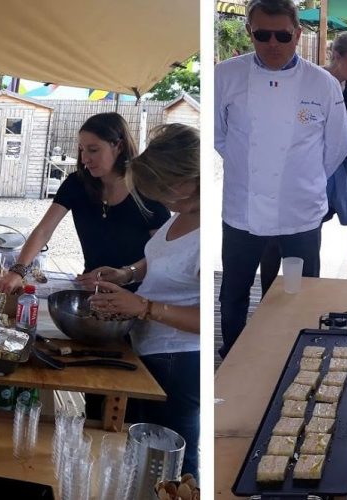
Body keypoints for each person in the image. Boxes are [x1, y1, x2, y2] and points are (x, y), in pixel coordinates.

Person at [215, 0, 347, 357]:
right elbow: (220, 137)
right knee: (234, 290)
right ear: (250, 32)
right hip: (243, 209)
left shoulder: (323, 83)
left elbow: (336, 147)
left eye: (282, 35)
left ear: (297, 33)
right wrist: (247, 169)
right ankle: (232, 353)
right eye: (262, 34)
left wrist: (299, 178)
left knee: (303, 290)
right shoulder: (225, 76)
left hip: (301, 210)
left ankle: (299, 353)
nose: (272, 43)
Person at [86, 123, 201, 478]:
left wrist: (146, 308)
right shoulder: (182, 214)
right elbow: (161, 258)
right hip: (150, 349)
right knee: (139, 457)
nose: (159, 200)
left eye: (162, 191)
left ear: (185, 182)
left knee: (175, 466)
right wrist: (127, 274)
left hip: (179, 364)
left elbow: (203, 321)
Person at [0, 113, 170, 293]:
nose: (85, 158)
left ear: (119, 146)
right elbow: (43, 231)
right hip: (90, 290)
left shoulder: (147, 190)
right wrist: (18, 271)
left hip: (138, 295)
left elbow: (164, 253)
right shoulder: (77, 183)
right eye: (81, 149)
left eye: (93, 150)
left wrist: (126, 274)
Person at [257, 31, 347, 294]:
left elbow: (338, 139)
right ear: (336, 55)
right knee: (274, 240)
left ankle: (304, 299)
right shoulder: (308, 82)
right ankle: (266, 299)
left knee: (310, 239)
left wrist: (319, 174)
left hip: (324, 172)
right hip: (287, 170)